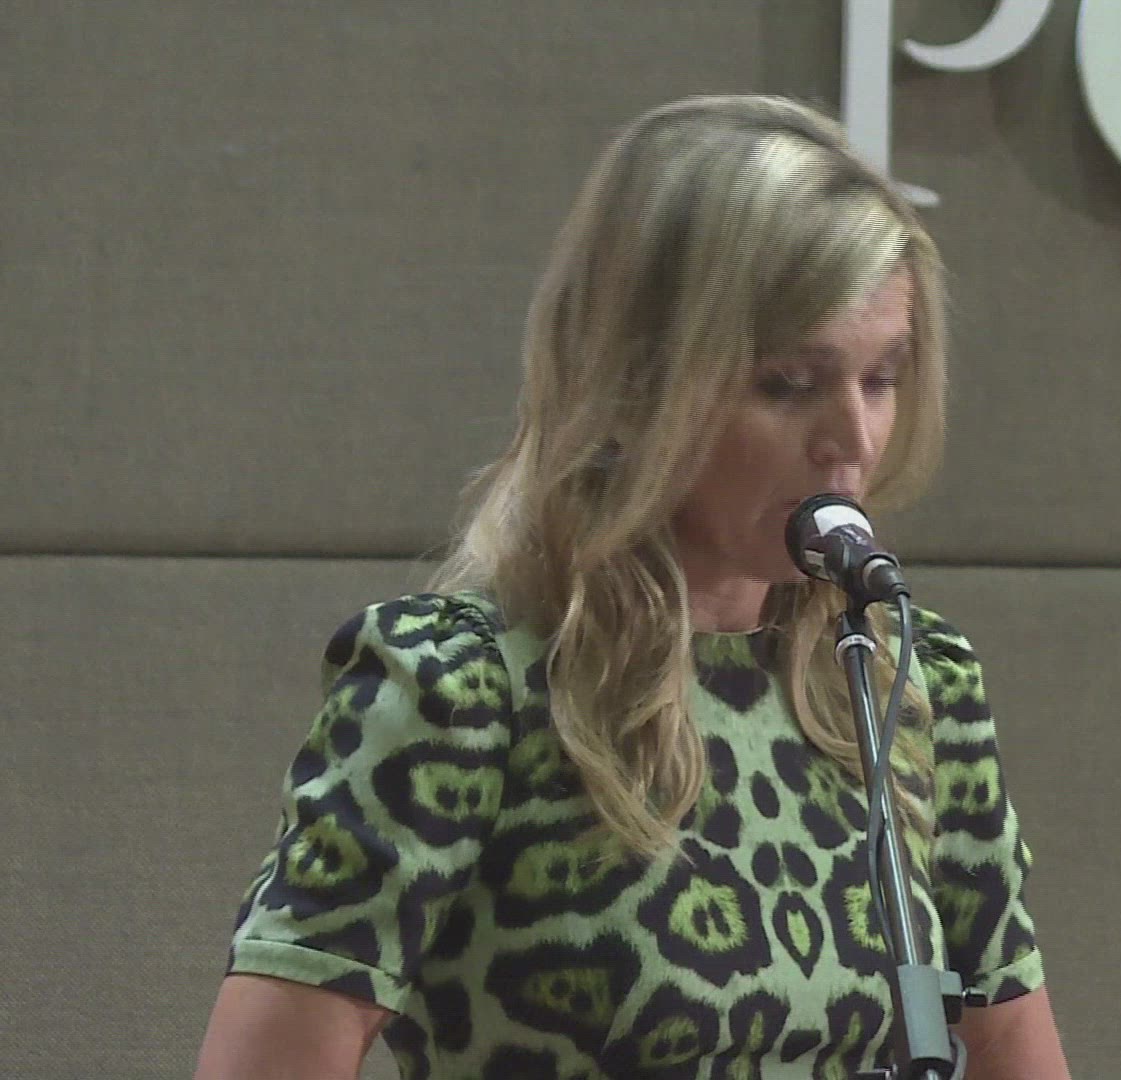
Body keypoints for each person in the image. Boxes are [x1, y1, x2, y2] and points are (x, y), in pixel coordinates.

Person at [193, 95, 1071, 1079]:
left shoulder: (911, 689)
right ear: (636, 381)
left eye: (882, 378)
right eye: (788, 383)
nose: (853, 440)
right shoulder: (462, 696)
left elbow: (1014, 1053)